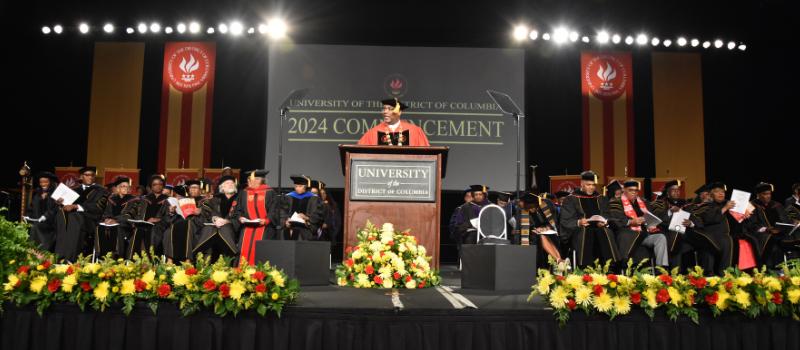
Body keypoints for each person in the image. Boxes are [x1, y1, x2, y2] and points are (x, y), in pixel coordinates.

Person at [559, 171, 620, 268]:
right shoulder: (571, 199)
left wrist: (603, 222)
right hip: (579, 229)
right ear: (581, 184)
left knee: (606, 231)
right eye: (588, 184)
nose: (591, 187)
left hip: (599, 228)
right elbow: (565, 220)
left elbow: (607, 215)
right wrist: (579, 222)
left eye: (593, 185)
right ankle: (584, 267)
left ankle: (610, 267)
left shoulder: (601, 198)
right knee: (584, 232)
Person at [608, 180, 669, 268]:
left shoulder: (644, 202)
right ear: (624, 190)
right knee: (627, 236)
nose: (634, 192)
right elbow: (615, 219)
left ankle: (662, 269)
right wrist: (631, 222)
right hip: (628, 233)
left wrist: (652, 223)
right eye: (630, 190)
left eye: (636, 190)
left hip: (645, 234)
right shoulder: (616, 202)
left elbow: (650, 216)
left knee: (660, 237)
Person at [54, 166, 108, 262]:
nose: (90, 177)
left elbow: (98, 208)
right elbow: (67, 204)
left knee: (74, 217)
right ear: (81, 176)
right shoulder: (74, 190)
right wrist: (60, 202)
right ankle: (60, 256)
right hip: (73, 218)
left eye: (92, 175)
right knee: (61, 213)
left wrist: (76, 206)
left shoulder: (101, 190)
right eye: (87, 175)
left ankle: (71, 258)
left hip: (91, 219)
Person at [236, 170, 281, 265]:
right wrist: (240, 218)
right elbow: (238, 209)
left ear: (262, 180)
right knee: (243, 250)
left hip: (264, 228)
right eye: (250, 179)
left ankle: (260, 275)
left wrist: (266, 220)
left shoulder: (270, 192)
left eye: (256, 179)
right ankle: (240, 274)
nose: (252, 181)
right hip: (247, 228)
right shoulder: (244, 193)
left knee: (260, 252)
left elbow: (274, 210)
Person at [121, 175, 169, 259]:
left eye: (160, 184)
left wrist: (158, 219)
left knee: (151, 231)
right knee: (138, 230)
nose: (158, 186)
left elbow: (170, 216)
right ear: (150, 186)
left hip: (159, 226)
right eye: (155, 184)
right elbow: (132, 212)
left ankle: (149, 260)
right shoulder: (142, 199)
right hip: (142, 224)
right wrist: (132, 220)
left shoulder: (168, 200)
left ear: (163, 186)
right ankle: (133, 260)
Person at [193, 177, 240, 262]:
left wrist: (227, 221)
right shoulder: (215, 199)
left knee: (225, 229)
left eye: (232, 183)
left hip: (231, 225)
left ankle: (228, 260)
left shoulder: (240, 198)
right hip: (214, 225)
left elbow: (240, 214)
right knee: (208, 229)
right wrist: (215, 218)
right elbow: (209, 212)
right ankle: (204, 262)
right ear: (222, 187)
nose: (230, 185)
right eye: (227, 183)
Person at [517, 192, 567, 271]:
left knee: (546, 236)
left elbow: (553, 221)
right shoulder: (523, 211)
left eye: (533, 207)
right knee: (541, 235)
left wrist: (547, 227)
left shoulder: (546, 204)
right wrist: (535, 229)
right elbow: (525, 229)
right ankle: (559, 260)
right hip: (535, 237)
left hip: (550, 232)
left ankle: (559, 259)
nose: (531, 210)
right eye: (529, 208)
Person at [750, 182, 792, 268]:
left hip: (780, 232)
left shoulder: (777, 205)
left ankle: (790, 267)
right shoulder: (752, 206)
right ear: (758, 195)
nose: (768, 196)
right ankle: (770, 268)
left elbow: (785, 220)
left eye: (769, 193)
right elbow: (751, 225)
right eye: (765, 194)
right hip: (762, 233)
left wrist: (791, 223)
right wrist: (767, 229)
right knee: (772, 242)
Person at [357, 98, 430, 146]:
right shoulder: (373, 132)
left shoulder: (414, 131)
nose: (385, 112)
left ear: (399, 112)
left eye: (390, 109)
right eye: (384, 109)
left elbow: (426, 156)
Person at [162, 183, 203, 263]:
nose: (193, 189)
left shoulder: (202, 201)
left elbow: (205, 216)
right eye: (191, 187)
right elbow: (166, 217)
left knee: (188, 225)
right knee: (171, 228)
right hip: (177, 221)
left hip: (194, 222)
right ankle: (170, 260)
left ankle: (188, 260)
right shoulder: (176, 201)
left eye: (195, 187)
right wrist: (171, 211)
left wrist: (199, 212)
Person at [96, 177, 135, 258]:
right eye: (123, 186)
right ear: (117, 188)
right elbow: (106, 212)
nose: (126, 188)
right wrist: (106, 219)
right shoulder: (111, 199)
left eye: (127, 186)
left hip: (124, 225)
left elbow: (130, 214)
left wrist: (116, 220)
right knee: (99, 227)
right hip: (110, 223)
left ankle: (116, 256)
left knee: (117, 228)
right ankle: (101, 255)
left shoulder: (134, 200)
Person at [281, 175, 325, 240]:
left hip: (305, 230)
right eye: (296, 186)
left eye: (300, 186)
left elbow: (317, 215)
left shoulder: (314, 198)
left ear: (306, 186)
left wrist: (306, 217)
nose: (297, 188)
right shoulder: (288, 197)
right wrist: (285, 221)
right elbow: (282, 211)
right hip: (289, 228)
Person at [26, 171, 59, 251]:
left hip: (50, 223)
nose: (43, 184)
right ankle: (33, 253)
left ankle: (42, 253)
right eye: (41, 182)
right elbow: (32, 207)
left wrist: (46, 216)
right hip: (38, 221)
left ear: (50, 182)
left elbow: (55, 208)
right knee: (32, 227)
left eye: (45, 182)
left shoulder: (55, 194)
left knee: (36, 228)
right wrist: (28, 216)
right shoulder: (37, 193)